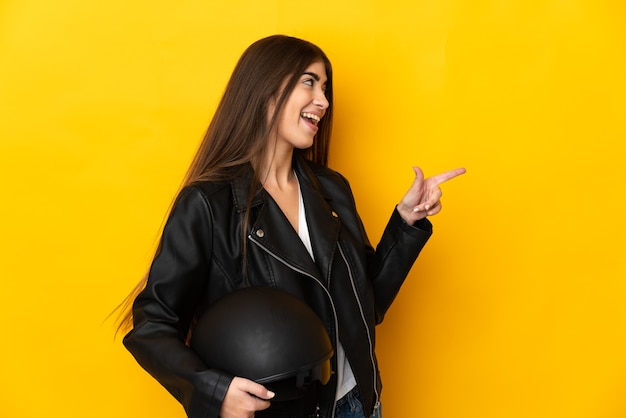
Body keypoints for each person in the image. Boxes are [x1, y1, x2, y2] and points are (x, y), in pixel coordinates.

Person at [118, 34, 465, 418]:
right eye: (309, 82)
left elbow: (365, 307)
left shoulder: (332, 189)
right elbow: (153, 324)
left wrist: (406, 224)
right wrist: (216, 392)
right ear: (265, 88)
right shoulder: (208, 204)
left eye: (326, 87)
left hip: (357, 404)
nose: (324, 101)